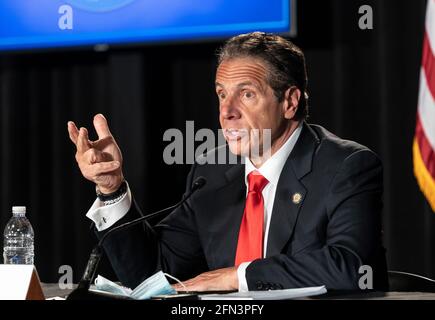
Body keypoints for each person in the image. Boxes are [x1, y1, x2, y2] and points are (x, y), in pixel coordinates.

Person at [67, 32, 388, 292]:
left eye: (247, 94)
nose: (227, 111)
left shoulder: (346, 166)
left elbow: (352, 267)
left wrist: (238, 277)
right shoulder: (213, 172)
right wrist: (111, 189)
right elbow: (151, 274)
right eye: (222, 94)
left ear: (290, 102)